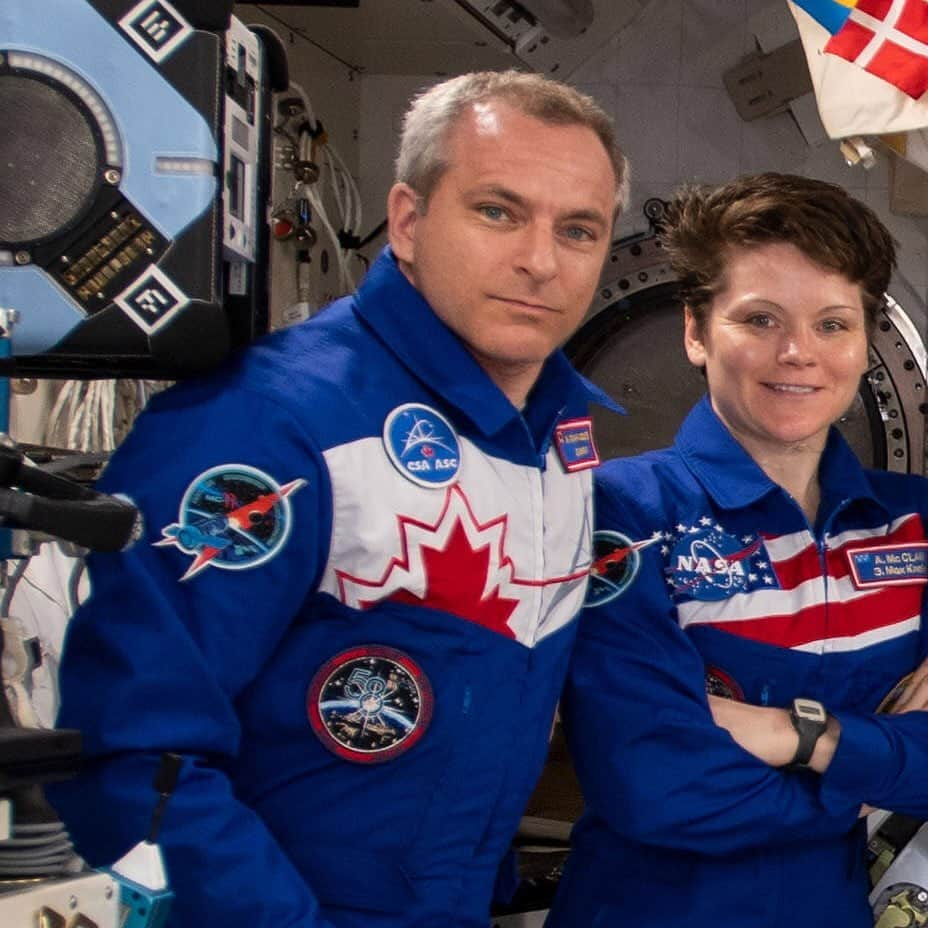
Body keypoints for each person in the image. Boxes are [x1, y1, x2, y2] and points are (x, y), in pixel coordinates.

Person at [48, 71, 628, 928]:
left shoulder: (557, 441)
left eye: (577, 229)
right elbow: (131, 759)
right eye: (498, 211)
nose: (540, 261)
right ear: (407, 220)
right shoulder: (268, 424)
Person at [545, 172, 928, 927]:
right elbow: (653, 783)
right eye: (760, 319)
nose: (798, 353)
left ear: (863, 339)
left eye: (832, 323)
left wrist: (786, 733)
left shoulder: (913, 523)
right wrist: (871, 770)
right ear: (695, 331)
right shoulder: (619, 512)